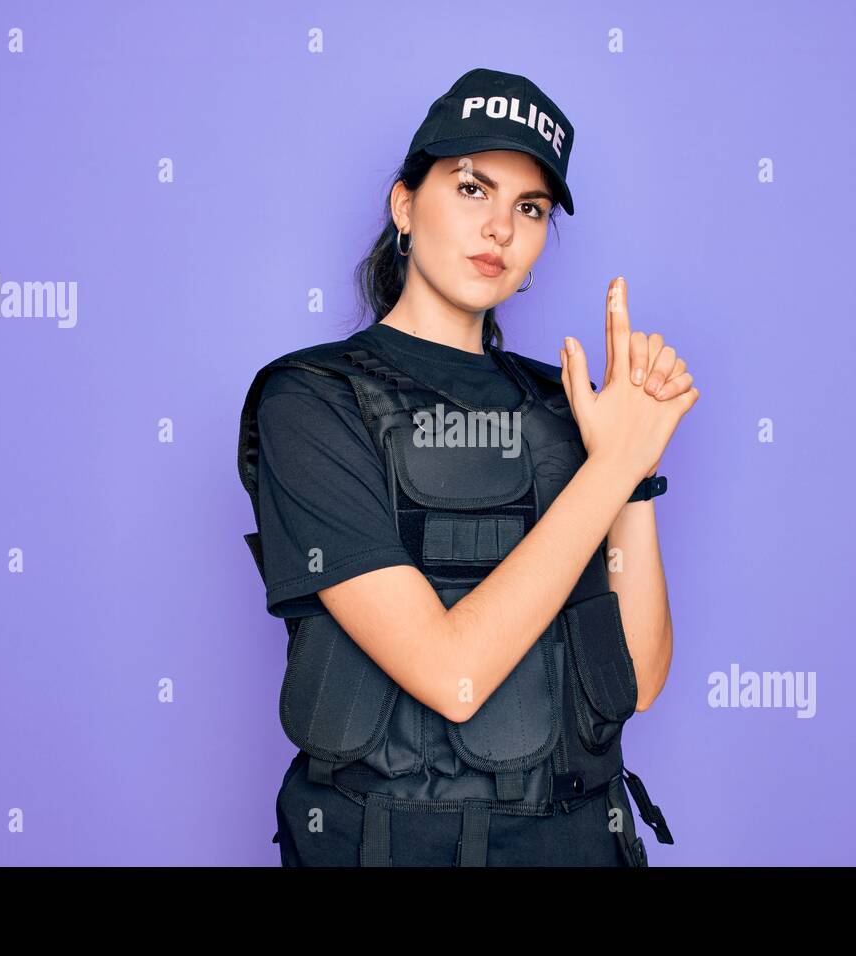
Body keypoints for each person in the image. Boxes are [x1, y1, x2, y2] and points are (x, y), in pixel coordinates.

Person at [237, 67, 700, 866]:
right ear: (404, 205)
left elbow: (638, 683)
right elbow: (452, 674)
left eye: (530, 209)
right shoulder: (311, 401)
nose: (501, 230)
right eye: (472, 188)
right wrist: (612, 462)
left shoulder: (572, 411)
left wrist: (635, 465)